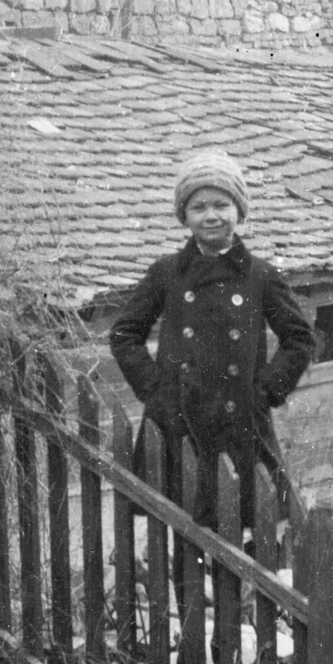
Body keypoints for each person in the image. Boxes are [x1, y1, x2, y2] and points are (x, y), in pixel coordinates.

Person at [108, 147, 314, 545]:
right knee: (183, 531)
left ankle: (234, 602)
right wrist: (155, 388)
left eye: (222, 204)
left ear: (240, 210)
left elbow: (300, 338)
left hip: (239, 424)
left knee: (242, 532)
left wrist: (266, 390)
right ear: (184, 215)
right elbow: (124, 333)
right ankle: (191, 599)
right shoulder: (167, 273)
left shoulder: (261, 276)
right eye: (199, 206)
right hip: (177, 422)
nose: (211, 215)